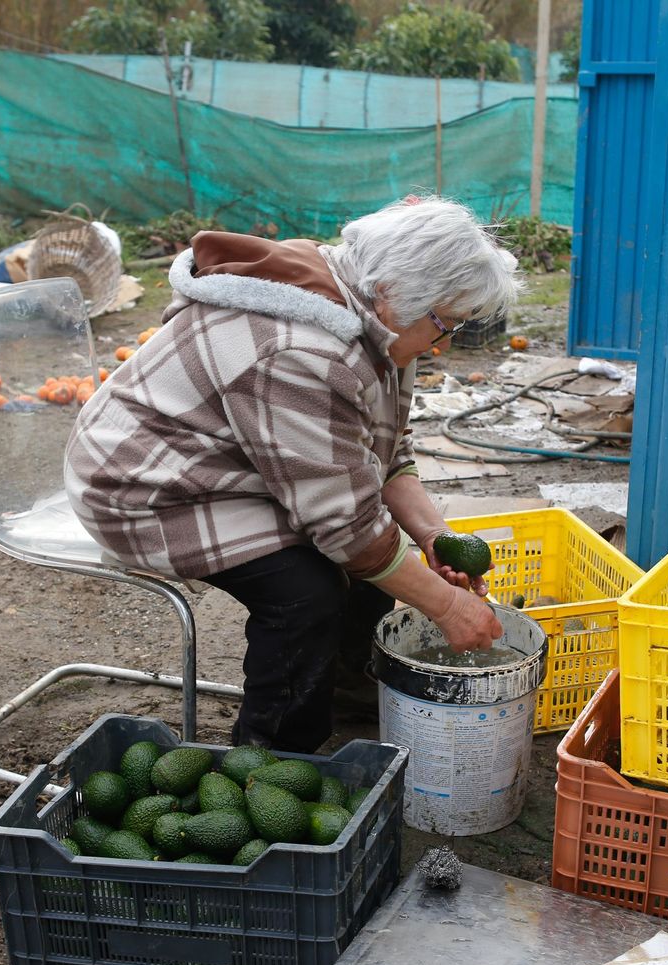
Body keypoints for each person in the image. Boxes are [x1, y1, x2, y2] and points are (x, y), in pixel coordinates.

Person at [65, 195, 520, 752]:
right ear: (394, 292)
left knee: (371, 561)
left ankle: (346, 693)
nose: (445, 343)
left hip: (229, 467)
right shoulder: (303, 348)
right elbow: (349, 532)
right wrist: (448, 606)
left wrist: (433, 536)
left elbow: (385, 456)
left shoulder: (377, 317)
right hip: (146, 486)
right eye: (445, 324)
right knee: (309, 590)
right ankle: (274, 758)